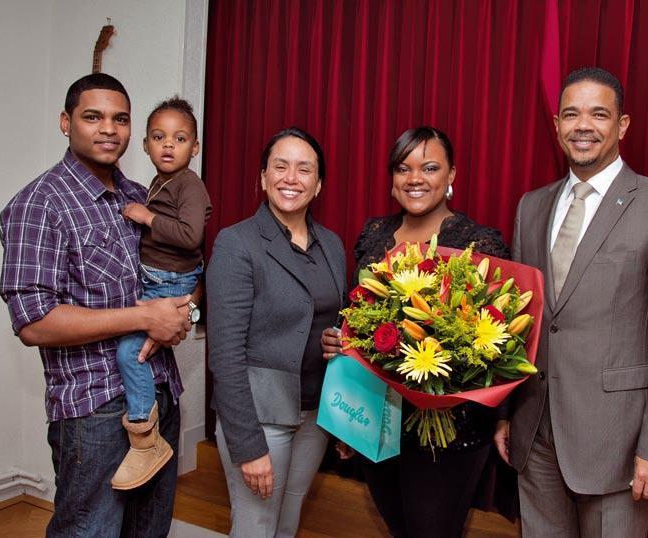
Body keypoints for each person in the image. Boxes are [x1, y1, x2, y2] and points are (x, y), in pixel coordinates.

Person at [494, 67, 648, 537]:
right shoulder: (532, 207)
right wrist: (508, 413)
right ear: (556, 125)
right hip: (536, 435)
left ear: (622, 125)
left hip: (619, 442)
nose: (583, 126)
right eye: (571, 114)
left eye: (598, 114)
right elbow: (520, 321)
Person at [0, 73, 195, 536]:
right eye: (93, 116)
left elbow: (184, 265)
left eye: (120, 119)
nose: (109, 129)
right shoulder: (38, 204)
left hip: (160, 393)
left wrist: (186, 313)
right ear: (66, 123)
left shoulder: (139, 197)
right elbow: (33, 321)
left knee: (149, 531)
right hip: (95, 410)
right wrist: (146, 316)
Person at [321, 126, 512, 538]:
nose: (415, 179)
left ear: (451, 176)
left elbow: (496, 341)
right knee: (398, 526)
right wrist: (338, 339)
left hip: (450, 427)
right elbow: (354, 318)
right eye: (403, 168)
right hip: (376, 418)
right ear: (392, 179)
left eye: (429, 167)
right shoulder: (373, 236)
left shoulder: (477, 243)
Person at [206, 127, 346, 537]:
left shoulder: (332, 245)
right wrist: (248, 445)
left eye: (305, 169)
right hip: (260, 416)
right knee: (257, 527)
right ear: (262, 177)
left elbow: (330, 324)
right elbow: (225, 354)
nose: (291, 178)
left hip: (315, 413)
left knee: (287, 526)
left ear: (318, 185)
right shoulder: (237, 243)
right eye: (280, 166)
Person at [110, 97, 212, 490]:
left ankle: (144, 438)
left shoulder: (190, 184)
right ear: (145, 145)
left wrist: (146, 216)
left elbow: (191, 238)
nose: (169, 145)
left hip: (170, 285)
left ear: (195, 147)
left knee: (128, 352)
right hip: (158, 280)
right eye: (159, 136)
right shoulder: (159, 182)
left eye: (180, 137)